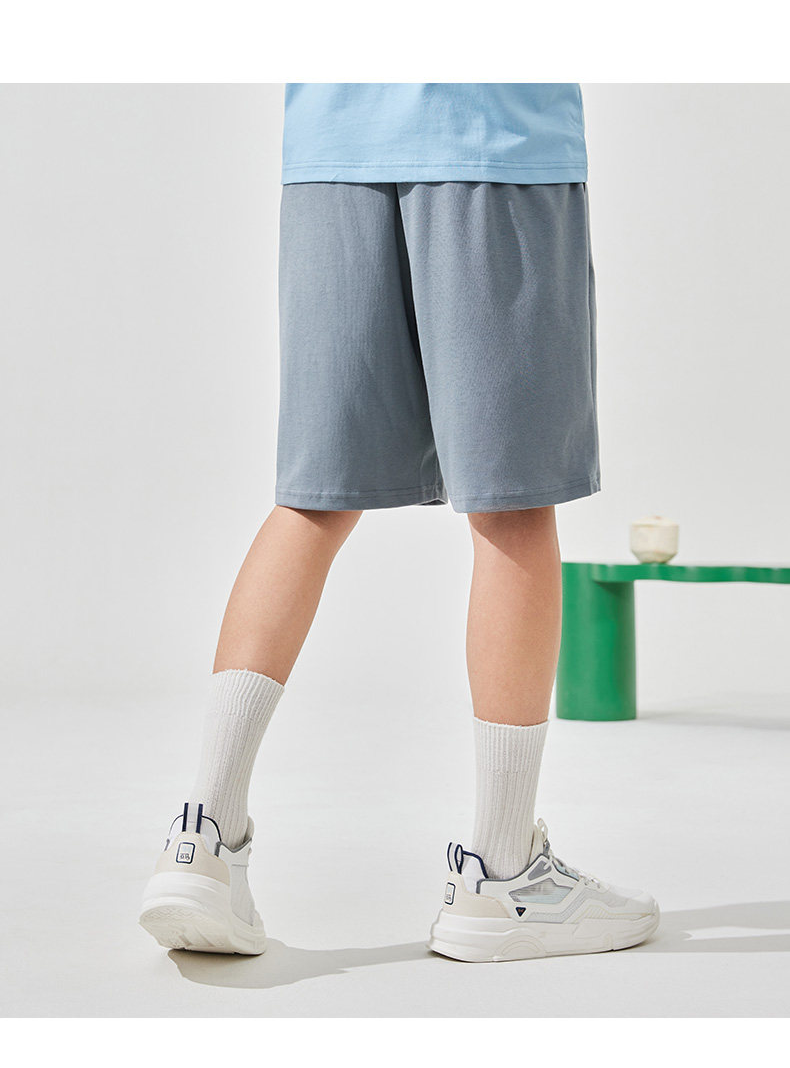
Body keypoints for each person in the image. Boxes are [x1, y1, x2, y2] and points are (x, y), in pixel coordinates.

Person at [139, 83, 659, 961]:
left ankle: (202, 840)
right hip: (491, 138)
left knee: (312, 499)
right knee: (513, 500)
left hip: (332, 148)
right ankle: (503, 875)